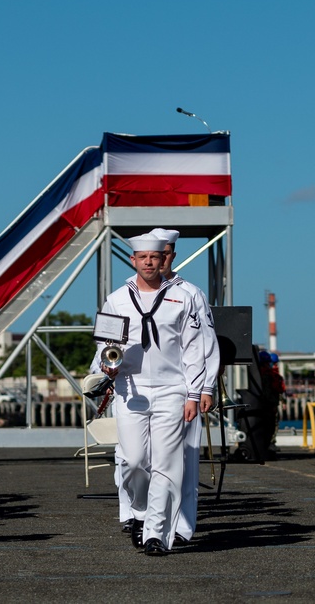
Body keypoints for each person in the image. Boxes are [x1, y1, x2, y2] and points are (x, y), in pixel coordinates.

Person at [91, 233, 205, 556]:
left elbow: (194, 349)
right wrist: (107, 364)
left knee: (167, 464)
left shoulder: (182, 298)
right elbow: (104, 344)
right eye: (142, 258)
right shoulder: (117, 299)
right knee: (133, 461)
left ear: (163, 260)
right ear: (133, 261)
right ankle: (139, 511)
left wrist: (195, 392)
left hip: (172, 389)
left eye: (154, 258)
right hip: (131, 389)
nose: (149, 263)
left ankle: (156, 533)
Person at [149, 227, 220, 547]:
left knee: (184, 460)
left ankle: (182, 524)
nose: (158, 261)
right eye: (152, 255)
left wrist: (206, 387)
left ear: (171, 256)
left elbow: (206, 343)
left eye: (163, 254)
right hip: (143, 387)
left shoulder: (190, 293)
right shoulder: (133, 294)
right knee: (137, 458)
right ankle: (138, 516)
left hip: (183, 387)